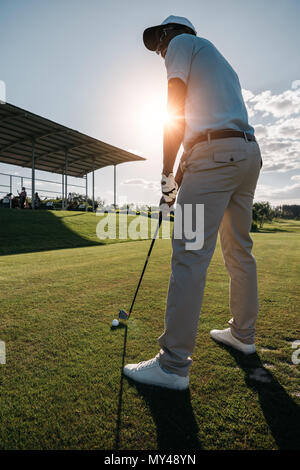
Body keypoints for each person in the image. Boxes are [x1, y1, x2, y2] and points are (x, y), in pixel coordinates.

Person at [124, 16, 262, 390]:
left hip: (215, 155)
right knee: (239, 250)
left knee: (188, 254)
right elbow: (207, 122)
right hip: (245, 155)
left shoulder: (182, 45)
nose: (161, 51)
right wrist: (182, 169)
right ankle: (243, 335)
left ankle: (172, 366)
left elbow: (176, 111)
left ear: (173, 32)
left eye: (160, 42)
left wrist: (167, 176)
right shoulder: (218, 60)